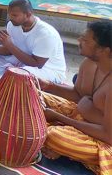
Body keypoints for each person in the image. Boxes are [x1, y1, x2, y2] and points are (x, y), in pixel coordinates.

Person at [38, 20, 111, 174]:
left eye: (85, 40)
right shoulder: (89, 63)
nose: (79, 41)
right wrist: (50, 87)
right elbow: (78, 95)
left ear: (104, 50)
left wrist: (60, 118)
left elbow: (108, 135)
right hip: (86, 118)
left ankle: (67, 148)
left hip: (106, 140)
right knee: (35, 96)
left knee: (54, 136)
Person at [0, 0, 66, 83]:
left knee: (19, 74)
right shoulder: (12, 25)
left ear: (28, 15)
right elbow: (9, 50)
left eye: (14, 15)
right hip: (22, 62)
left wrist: (9, 45)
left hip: (48, 70)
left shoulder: (45, 34)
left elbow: (36, 63)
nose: (10, 18)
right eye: (9, 14)